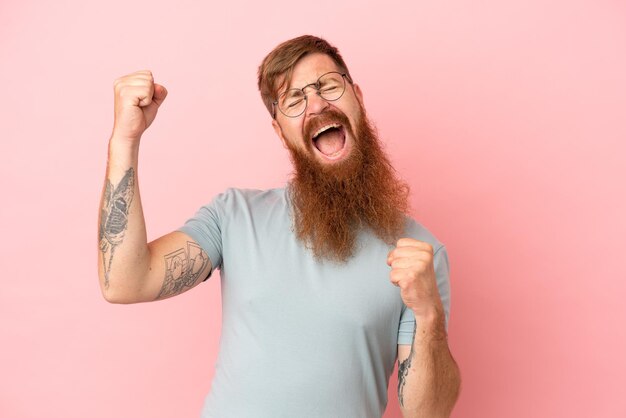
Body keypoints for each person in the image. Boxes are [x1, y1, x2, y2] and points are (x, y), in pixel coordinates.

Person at [98, 35, 461, 418]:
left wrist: (429, 315)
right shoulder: (234, 217)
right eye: (294, 100)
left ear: (357, 97)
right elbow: (124, 281)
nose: (317, 104)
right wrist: (125, 139)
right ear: (279, 130)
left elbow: (428, 413)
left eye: (329, 86)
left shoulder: (420, 254)